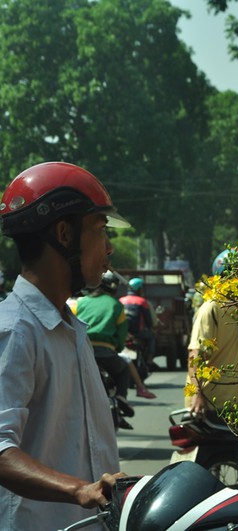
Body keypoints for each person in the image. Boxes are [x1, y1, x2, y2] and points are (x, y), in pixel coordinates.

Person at [0, 161, 127, 528]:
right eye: (101, 230)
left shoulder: (71, 329)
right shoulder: (15, 331)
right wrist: (78, 490)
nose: (109, 247)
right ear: (64, 234)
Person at [186, 250, 238, 418]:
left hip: (237, 400)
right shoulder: (212, 309)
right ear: (225, 276)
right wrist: (197, 394)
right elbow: (196, 353)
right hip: (206, 402)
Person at [76, 270, 156, 408]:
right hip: (106, 352)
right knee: (123, 369)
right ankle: (121, 398)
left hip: (82, 351)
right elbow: (122, 333)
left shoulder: (81, 302)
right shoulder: (116, 304)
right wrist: (118, 347)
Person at [119, 276, 157, 368]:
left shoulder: (121, 300)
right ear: (139, 289)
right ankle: (150, 359)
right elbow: (149, 321)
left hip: (124, 333)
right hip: (138, 333)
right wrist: (151, 327)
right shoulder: (142, 302)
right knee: (152, 337)